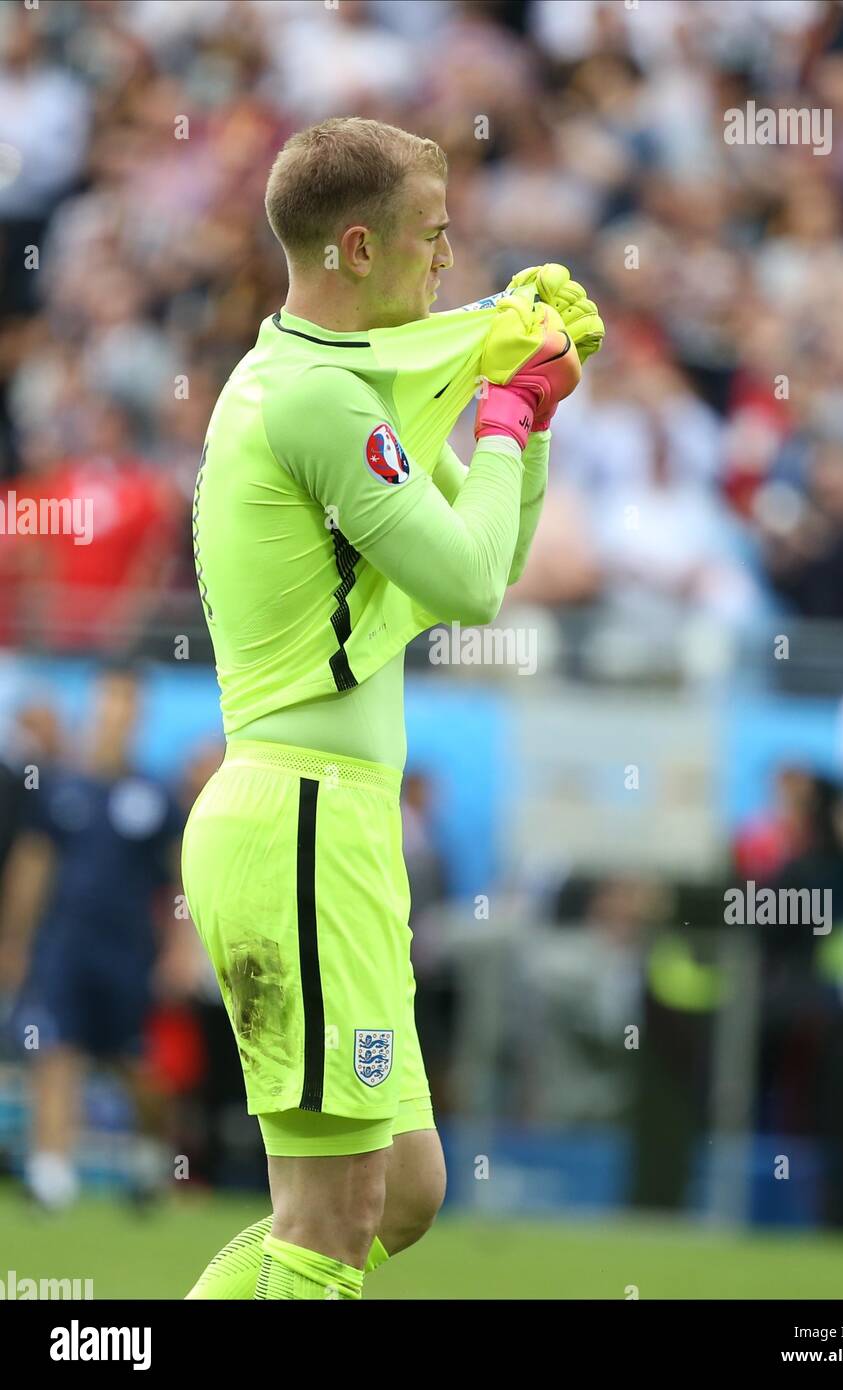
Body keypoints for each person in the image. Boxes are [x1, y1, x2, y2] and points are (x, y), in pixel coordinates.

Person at [182, 116, 593, 1300]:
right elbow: (466, 582)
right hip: (298, 820)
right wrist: (501, 412)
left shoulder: (344, 385)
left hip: (332, 826)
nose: (449, 262)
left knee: (401, 1191)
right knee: (328, 1214)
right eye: (433, 236)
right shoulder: (316, 399)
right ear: (357, 249)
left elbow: (487, 563)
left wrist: (535, 418)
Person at [0, 664, 185, 1209]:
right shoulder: (59, 787)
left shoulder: (154, 795)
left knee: (137, 1066)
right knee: (56, 1050)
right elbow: (33, 867)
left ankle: (153, 1161)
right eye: (108, 703)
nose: (114, 716)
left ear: (139, 716)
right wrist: (14, 939)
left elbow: (182, 878)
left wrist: (179, 949)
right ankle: (52, 1176)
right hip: (65, 946)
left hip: (129, 952)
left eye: (126, 706)